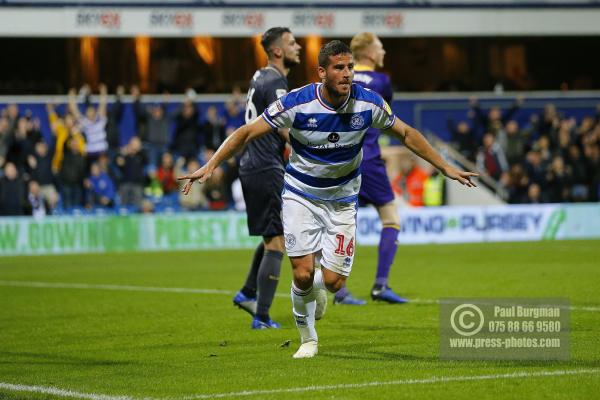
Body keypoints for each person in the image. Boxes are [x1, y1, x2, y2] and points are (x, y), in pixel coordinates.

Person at [179, 40, 477, 358]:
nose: (347, 74)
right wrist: (209, 166)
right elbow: (246, 133)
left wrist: (445, 166)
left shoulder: (369, 103)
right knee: (302, 272)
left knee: (333, 282)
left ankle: (319, 290)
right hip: (300, 194)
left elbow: (406, 133)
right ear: (322, 72)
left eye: (349, 67)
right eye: (339, 68)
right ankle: (309, 339)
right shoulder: (297, 103)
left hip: (343, 197)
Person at [324, 31, 406, 305]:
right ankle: (381, 285)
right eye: (380, 47)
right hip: (369, 159)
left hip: (339, 159)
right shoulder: (382, 81)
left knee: (343, 223)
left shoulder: (341, 78)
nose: (383, 52)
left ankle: (340, 289)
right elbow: (386, 118)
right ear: (370, 52)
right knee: (391, 218)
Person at [231, 26, 301, 329]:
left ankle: (247, 292)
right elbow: (283, 125)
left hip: (253, 164)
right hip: (265, 165)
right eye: (292, 43)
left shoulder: (260, 76)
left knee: (274, 234)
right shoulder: (275, 80)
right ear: (277, 51)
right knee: (277, 242)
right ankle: (261, 315)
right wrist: (312, 147)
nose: (298, 46)